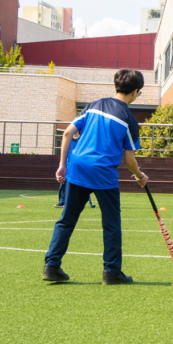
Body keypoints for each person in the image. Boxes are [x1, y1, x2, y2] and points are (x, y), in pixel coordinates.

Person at [43, 69, 149, 285]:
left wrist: (63, 165)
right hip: (103, 173)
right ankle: (111, 272)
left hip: (77, 168)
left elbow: (66, 133)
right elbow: (129, 161)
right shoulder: (129, 119)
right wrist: (140, 176)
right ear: (136, 91)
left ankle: (51, 266)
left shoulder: (93, 105)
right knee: (111, 224)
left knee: (66, 220)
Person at [54, 129, 80, 209]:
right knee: (63, 181)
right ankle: (62, 201)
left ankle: (73, 201)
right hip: (68, 164)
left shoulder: (82, 140)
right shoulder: (68, 141)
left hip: (78, 165)